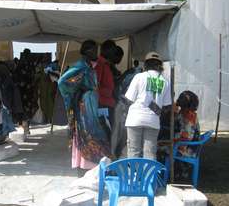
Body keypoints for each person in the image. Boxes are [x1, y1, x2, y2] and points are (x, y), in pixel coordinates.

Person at [58, 40, 112, 172]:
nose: (97, 53)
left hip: (90, 105)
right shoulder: (81, 67)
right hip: (84, 108)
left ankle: (92, 167)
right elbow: (62, 82)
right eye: (94, 50)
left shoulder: (88, 67)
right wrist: (80, 92)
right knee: (87, 133)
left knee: (92, 133)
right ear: (88, 52)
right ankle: (85, 167)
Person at [125, 52, 171, 160]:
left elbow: (129, 99)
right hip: (153, 120)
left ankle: (133, 176)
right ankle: (149, 176)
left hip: (135, 119)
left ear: (145, 65)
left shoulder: (139, 77)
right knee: (150, 153)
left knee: (133, 151)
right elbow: (166, 106)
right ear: (160, 66)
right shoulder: (165, 81)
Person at [95, 40, 117, 130]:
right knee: (106, 132)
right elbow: (95, 85)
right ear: (108, 50)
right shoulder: (100, 64)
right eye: (113, 51)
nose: (114, 54)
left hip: (107, 103)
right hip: (102, 104)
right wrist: (109, 92)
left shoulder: (106, 64)